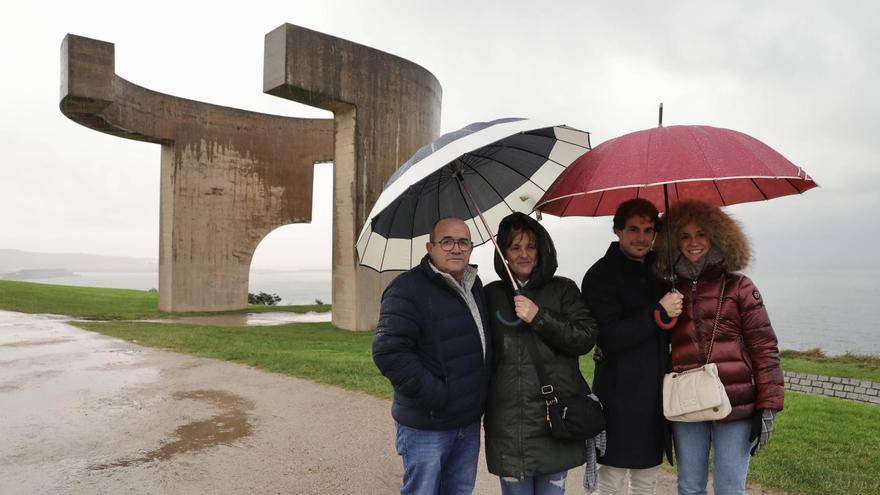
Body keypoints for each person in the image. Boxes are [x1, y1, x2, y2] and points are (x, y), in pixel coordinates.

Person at [653, 199, 784, 495]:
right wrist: (661, 313)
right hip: (686, 403)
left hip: (736, 405)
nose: (693, 243)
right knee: (689, 487)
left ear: (717, 236)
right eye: (683, 236)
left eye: (701, 233)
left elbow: (765, 348)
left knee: (729, 488)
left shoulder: (740, 287)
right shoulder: (668, 290)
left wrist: (769, 405)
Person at [372, 217, 492, 495]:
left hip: (468, 420)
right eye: (447, 241)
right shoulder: (407, 288)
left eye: (463, 242)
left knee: (459, 490)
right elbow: (388, 352)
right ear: (430, 247)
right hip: (428, 423)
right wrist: (439, 396)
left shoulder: (474, 285)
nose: (456, 248)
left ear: (472, 247)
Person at [483, 212, 598, 495]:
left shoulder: (563, 290)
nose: (524, 254)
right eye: (515, 247)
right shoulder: (491, 295)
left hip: (555, 421)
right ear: (504, 254)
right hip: (509, 427)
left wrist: (539, 317)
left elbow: (585, 337)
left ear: (542, 249)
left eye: (530, 247)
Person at [580, 198, 683, 495]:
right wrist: (658, 312)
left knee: (647, 478)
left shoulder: (662, 269)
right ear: (617, 230)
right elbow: (609, 337)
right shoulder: (599, 276)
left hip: (655, 392)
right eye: (633, 229)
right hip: (617, 393)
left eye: (649, 230)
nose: (641, 237)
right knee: (611, 476)